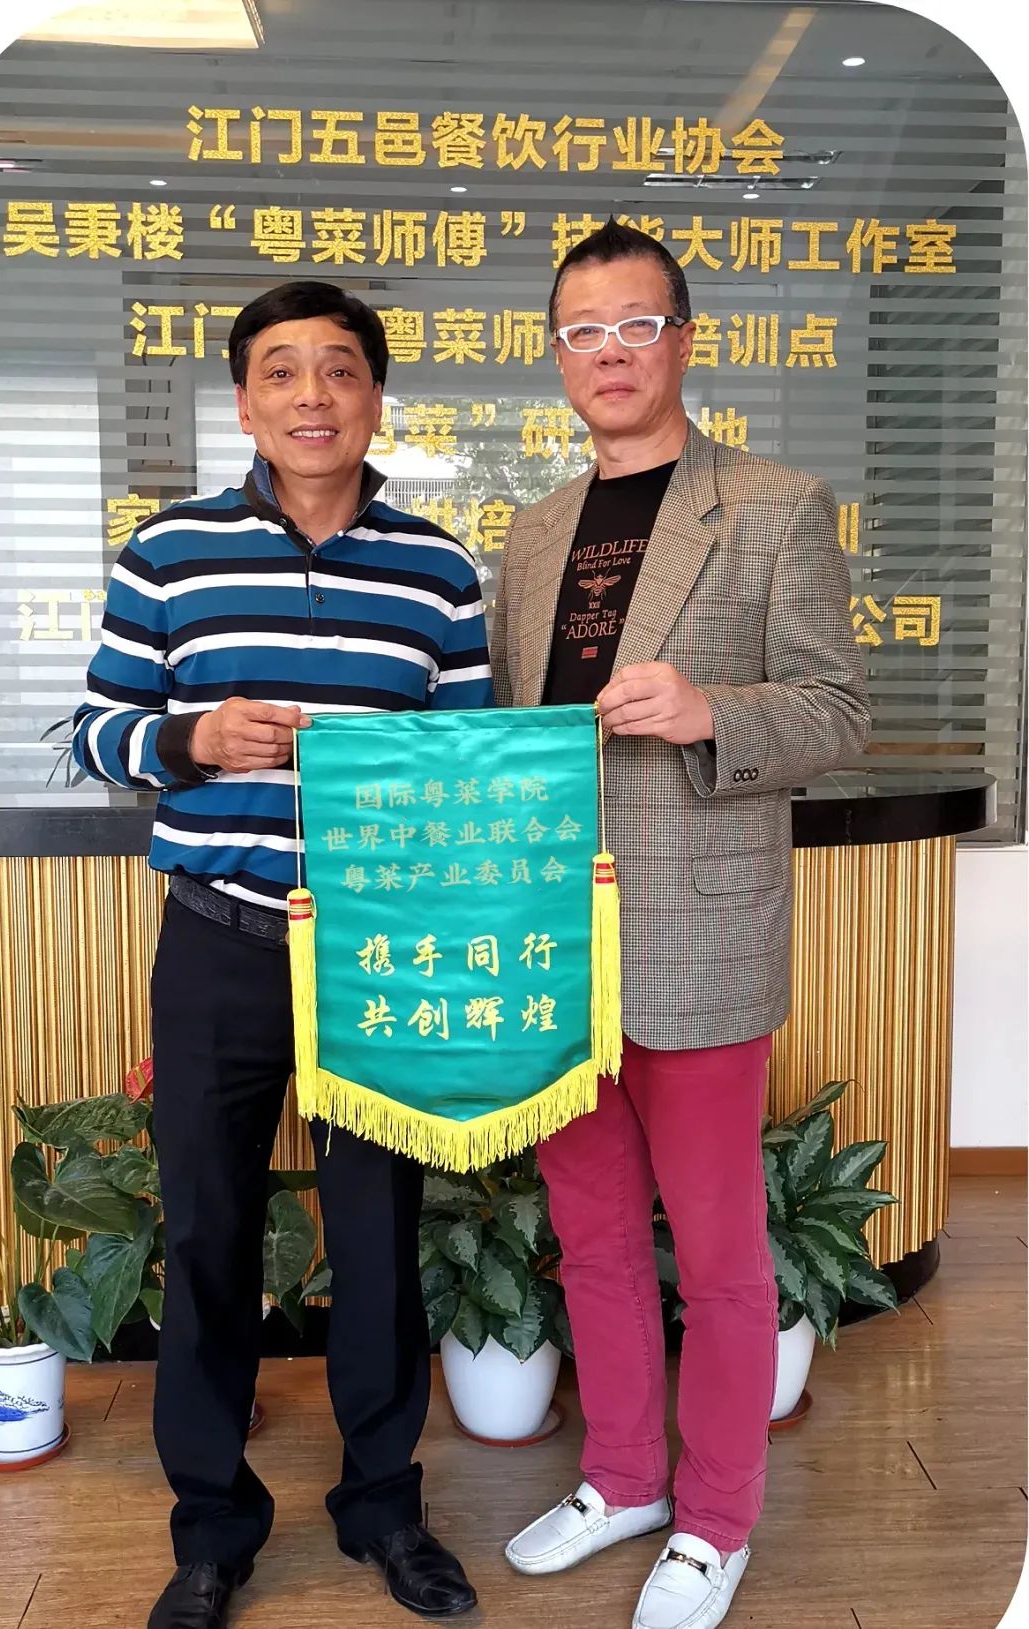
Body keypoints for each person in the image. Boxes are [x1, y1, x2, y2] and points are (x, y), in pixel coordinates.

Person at [73, 280, 491, 1629]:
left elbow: (471, 771)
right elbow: (96, 731)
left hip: (379, 949)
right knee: (207, 1231)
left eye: (341, 368)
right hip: (219, 941)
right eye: (282, 370)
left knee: (378, 1232)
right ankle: (211, 1528)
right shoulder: (170, 553)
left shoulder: (438, 572)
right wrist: (190, 740)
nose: (314, 394)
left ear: (376, 396)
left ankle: (384, 1507)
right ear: (246, 401)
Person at [491, 221, 870, 1629]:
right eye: (583, 331)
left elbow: (838, 709)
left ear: (684, 341)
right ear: (557, 355)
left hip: (700, 934)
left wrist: (716, 711)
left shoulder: (771, 504)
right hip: (558, 938)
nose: (611, 353)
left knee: (716, 1256)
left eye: (637, 325)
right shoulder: (535, 532)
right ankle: (623, 1480)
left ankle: (716, 1519)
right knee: (590, 1234)